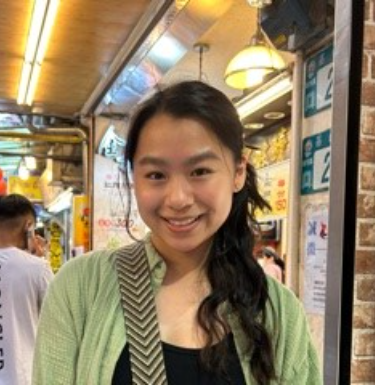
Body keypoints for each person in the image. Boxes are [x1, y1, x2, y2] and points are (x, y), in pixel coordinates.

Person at [33, 81, 322, 384]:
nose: (178, 199)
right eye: (156, 175)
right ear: (135, 178)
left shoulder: (278, 310)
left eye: (199, 171)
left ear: (238, 172)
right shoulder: (79, 289)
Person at [0, 194, 54, 385]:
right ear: (29, 226)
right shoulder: (37, 269)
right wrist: (39, 260)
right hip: (26, 378)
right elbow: (56, 325)